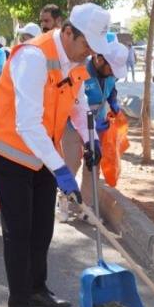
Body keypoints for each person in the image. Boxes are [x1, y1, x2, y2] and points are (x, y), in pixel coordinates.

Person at [0, 3, 110, 307]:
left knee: (42, 225)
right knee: (19, 229)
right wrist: (61, 169)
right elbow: (26, 123)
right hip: (9, 148)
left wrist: (89, 139)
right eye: (86, 45)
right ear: (68, 33)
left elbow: (78, 104)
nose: (90, 54)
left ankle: (37, 288)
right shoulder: (33, 57)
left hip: (42, 148)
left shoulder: (75, 61)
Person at [57, 40, 128, 223]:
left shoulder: (111, 71)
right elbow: (73, 102)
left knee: (93, 165)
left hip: (99, 123)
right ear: (100, 59)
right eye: (111, 68)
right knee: (71, 163)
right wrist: (90, 123)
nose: (113, 73)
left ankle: (86, 207)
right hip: (73, 124)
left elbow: (111, 88)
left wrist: (113, 101)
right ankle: (63, 201)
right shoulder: (80, 70)